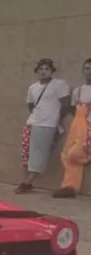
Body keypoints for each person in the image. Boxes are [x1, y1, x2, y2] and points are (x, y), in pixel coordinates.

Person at [16, 59, 71, 193]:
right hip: (32, 122)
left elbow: (65, 105)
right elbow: (30, 105)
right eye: (41, 69)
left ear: (51, 71)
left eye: (46, 69)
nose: (43, 71)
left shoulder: (59, 85)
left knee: (39, 154)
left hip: (48, 124)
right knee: (26, 152)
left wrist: (55, 119)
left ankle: (28, 183)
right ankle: (25, 179)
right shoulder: (33, 87)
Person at [52, 58, 91, 199]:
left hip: (89, 126)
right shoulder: (78, 90)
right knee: (66, 154)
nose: (89, 71)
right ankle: (69, 187)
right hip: (77, 124)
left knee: (75, 153)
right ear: (83, 71)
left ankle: (87, 155)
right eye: (87, 68)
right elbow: (74, 108)